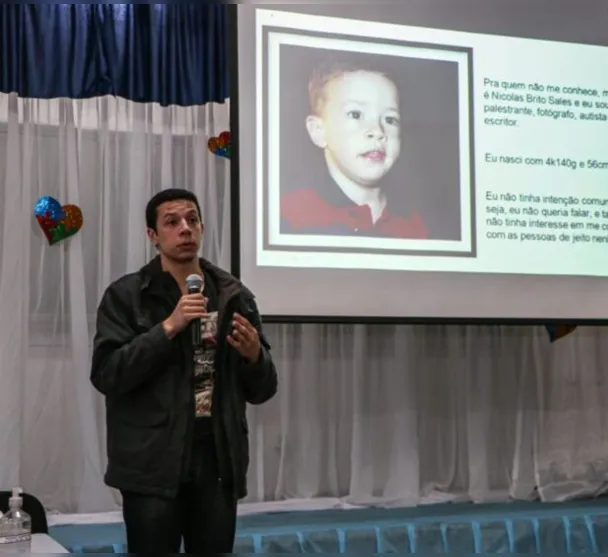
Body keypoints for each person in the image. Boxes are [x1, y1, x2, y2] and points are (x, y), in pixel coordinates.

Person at [90, 188, 278, 553]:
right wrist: (168, 328)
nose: (185, 228)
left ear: (202, 227)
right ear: (153, 236)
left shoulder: (233, 296)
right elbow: (107, 373)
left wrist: (255, 356)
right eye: (172, 222)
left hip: (217, 459)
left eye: (192, 219)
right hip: (152, 463)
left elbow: (263, 390)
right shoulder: (127, 295)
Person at [280, 60, 429, 239]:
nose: (378, 131)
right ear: (319, 131)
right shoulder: (290, 215)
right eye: (356, 114)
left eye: (390, 119)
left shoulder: (418, 223)